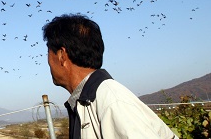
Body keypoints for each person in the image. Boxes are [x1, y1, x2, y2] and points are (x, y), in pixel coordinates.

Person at [42, 14, 177, 139]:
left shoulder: (112, 101)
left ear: (62, 55)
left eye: (48, 52)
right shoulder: (87, 100)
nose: (48, 61)